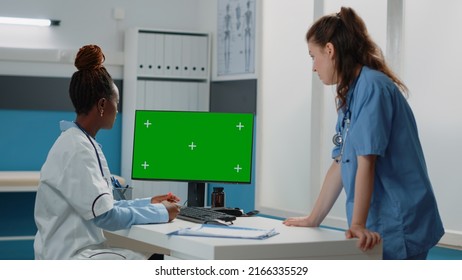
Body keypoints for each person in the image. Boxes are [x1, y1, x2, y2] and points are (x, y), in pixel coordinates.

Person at [283, 7, 444, 260]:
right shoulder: (352, 93)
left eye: (313, 56)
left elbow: (366, 161)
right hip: (380, 223)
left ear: (330, 50)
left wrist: (357, 224)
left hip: (399, 221)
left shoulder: (373, 88)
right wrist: (313, 218)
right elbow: (341, 161)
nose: (313, 67)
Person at [34, 44, 181, 260]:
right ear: (102, 104)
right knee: (158, 258)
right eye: (116, 102)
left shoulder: (78, 141)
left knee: (154, 254)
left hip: (71, 251)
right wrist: (162, 212)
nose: (118, 109)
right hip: (71, 257)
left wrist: (150, 203)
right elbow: (106, 216)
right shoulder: (77, 149)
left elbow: (106, 204)